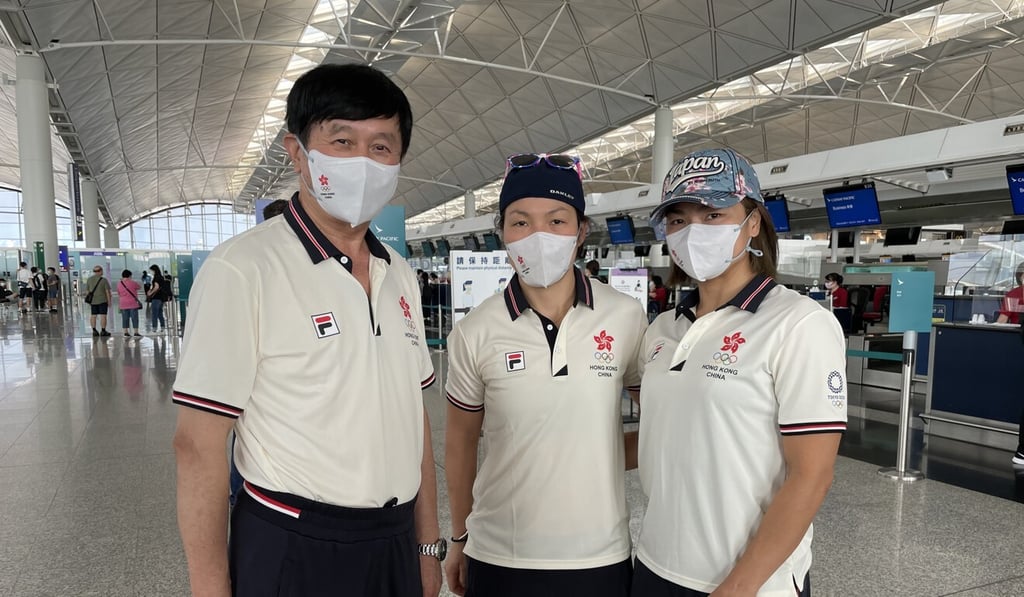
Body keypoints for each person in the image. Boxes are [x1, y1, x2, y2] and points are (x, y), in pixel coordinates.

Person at [172, 63, 442, 597]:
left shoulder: (400, 274)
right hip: (294, 544)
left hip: (393, 541)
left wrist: (426, 548)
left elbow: (416, 422)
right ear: (297, 152)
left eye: (381, 147)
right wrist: (209, 587)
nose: (362, 163)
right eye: (342, 141)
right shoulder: (243, 269)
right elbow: (198, 446)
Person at [632, 148, 847, 597]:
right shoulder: (662, 329)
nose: (693, 231)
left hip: (749, 583)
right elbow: (670, 433)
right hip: (654, 563)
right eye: (678, 219)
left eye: (713, 214)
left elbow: (812, 475)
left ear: (753, 223)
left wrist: (738, 588)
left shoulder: (798, 323)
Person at [445, 154, 647, 597]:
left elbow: (661, 419)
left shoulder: (626, 317)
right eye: (520, 222)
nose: (538, 235)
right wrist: (459, 538)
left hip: (600, 554)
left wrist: (598, 453)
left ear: (581, 232)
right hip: (500, 553)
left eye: (556, 221)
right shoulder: (475, 330)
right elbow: (460, 443)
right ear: (502, 232)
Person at [84, 266, 112, 337]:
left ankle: (94, 331)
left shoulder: (89, 279)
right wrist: (109, 301)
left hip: (93, 301)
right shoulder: (104, 280)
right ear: (100, 271)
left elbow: (87, 291)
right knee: (103, 315)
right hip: (102, 300)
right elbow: (107, 292)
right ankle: (103, 331)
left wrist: (89, 301)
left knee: (93, 315)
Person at [117, 269, 143, 337]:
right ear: (129, 276)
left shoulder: (119, 283)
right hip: (133, 303)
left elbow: (119, 293)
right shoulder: (133, 282)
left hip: (123, 303)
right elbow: (139, 287)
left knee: (125, 318)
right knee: (134, 318)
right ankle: (136, 332)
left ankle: (126, 332)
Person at [146, 265, 168, 333]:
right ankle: (162, 326)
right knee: (159, 313)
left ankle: (154, 328)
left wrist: (150, 293)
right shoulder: (161, 277)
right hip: (161, 297)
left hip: (156, 297)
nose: (151, 272)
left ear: (154, 270)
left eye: (151, 270)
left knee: (154, 313)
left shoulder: (156, 278)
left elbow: (156, 287)